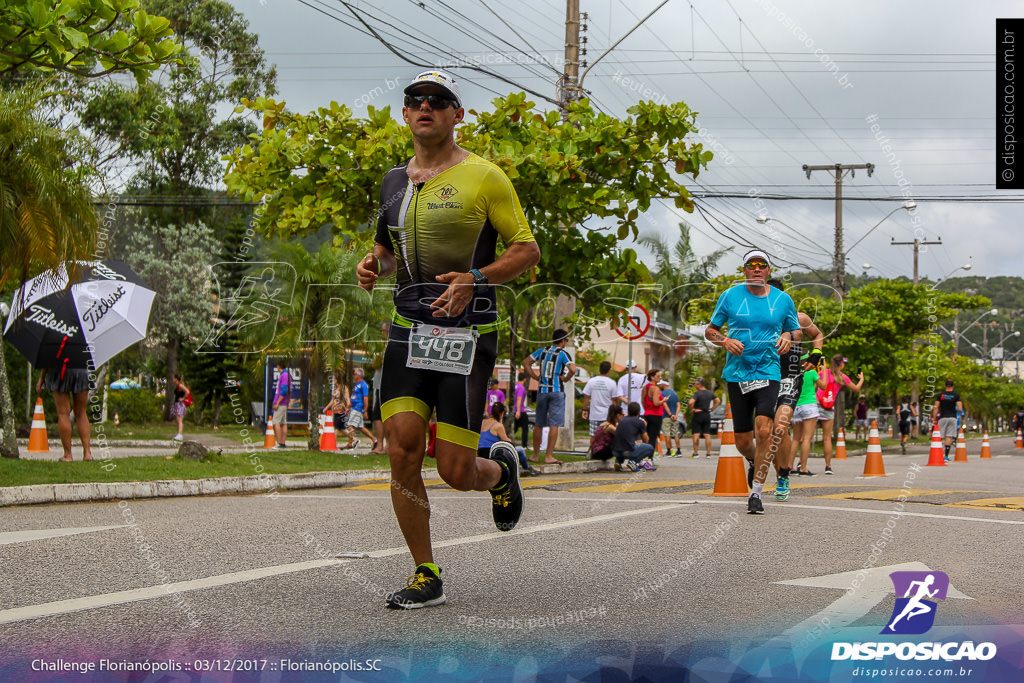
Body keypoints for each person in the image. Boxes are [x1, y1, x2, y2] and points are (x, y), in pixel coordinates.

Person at [356, 69, 540, 609]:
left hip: (466, 332)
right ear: (405, 113)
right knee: (402, 449)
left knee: (457, 473)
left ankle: (498, 468)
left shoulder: (486, 177)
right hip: (409, 328)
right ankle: (425, 572)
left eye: (439, 101)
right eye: (415, 100)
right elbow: (387, 252)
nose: (425, 107)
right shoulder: (393, 182)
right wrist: (374, 265)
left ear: (458, 114)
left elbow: (526, 250)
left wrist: (475, 279)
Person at [704, 249, 800, 515]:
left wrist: (789, 337)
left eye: (762, 265)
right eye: (751, 265)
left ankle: (756, 494)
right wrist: (724, 340)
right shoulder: (729, 296)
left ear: (768, 271)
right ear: (744, 270)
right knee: (744, 443)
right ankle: (752, 460)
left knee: (765, 430)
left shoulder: (783, 300)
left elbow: (797, 329)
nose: (757, 269)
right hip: (737, 374)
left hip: (768, 372)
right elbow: (710, 330)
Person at [765, 278, 824, 501]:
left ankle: (784, 475)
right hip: (764, 378)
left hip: (790, 376)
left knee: (780, 427)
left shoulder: (799, 319)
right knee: (768, 432)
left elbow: (817, 335)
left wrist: (816, 355)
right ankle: (776, 471)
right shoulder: (756, 321)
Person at [523, 329, 576, 465]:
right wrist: (565, 379)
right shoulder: (563, 354)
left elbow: (526, 363)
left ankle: (535, 455)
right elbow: (573, 369)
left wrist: (535, 377)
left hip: (542, 391)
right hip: (556, 391)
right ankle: (549, 456)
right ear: (563, 340)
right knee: (554, 424)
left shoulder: (542, 351)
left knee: (538, 423)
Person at [817, 355, 865, 474]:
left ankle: (801, 464)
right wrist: (861, 379)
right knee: (827, 438)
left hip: (817, 403)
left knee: (806, 437)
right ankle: (828, 466)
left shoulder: (823, 373)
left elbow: (814, 384)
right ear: (841, 364)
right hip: (829, 406)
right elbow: (856, 388)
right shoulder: (842, 378)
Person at [36, 366, 92, 462]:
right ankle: (87, 453)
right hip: (82, 370)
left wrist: (42, 377)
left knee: (63, 413)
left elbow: (47, 359)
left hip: (60, 371)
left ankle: (68, 455)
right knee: (81, 413)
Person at [479, 403, 538, 476]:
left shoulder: (483, 422)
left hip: (481, 452)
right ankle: (527, 468)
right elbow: (507, 442)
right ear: (502, 413)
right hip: (492, 453)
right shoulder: (498, 425)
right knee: (520, 450)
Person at [791, 365, 828, 475]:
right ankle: (803, 468)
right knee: (807, 438)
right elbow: (823, 386)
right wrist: (824, 372)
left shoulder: (793, 372)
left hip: (796, 405)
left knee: (795, 439)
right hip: (809, 405)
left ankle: (789, 466)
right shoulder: (811, 372)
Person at [611, 402, 656, 471]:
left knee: (623, 445)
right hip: (627, 451)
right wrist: (644, 426)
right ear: (639, 412)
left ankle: (618, 462)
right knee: (650, 448)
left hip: (615, 451)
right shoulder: (639, 422)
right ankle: (634, 462)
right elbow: (646, 439)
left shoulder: (622, 420)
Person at [343, 367, 377, 450]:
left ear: (359, 375)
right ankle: (375, 440)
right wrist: (348, 407)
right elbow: (353, 397)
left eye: (355, 374)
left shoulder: (363, 384)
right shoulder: (357, 385)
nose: (354, 376)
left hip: (358, 407)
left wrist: (365, 410)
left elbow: (365, 398)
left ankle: (351, 443)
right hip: (354, 407)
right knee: (360, 427)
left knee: (350, 424)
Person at [581, 361, 617, 436]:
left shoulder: (591, 381)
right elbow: (615, 400)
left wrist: (585, 409)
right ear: (609, 370)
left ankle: (594, 448)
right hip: (607, 415)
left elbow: (586, 397)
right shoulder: (612, 383)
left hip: (594, 415)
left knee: (594, 436)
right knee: (607, 436)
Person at [688, 378, 720, 458]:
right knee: (707, 434)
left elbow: (690, 402)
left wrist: (691, 409)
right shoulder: (710, 393)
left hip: (698, 414)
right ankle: (708, 453)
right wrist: (712, 409)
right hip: (706, 414)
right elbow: (718, 401)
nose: (695, 385)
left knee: (696, 434)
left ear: (699, 384)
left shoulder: (697, 393)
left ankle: (696, 453)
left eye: (696, 384)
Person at [933, 379, 963, 461]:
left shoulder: (940, 395)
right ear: (953, 386)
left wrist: (934, 417)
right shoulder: (956, 395)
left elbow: (936, 407)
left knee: (939, 436)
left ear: (945, 386)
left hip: (942, 417)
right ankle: (946, 456)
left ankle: (937, 454)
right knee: (949, 436)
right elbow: (960, 408)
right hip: (952, 417)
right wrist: (954, 410)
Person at [641, 368, 667, 455]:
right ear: (652, 377)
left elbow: (643, 401)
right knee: (653, 438)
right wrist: (664, 400)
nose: (660, 377)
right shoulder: (655, 388)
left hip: (647, 414)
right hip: (656, 415)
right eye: (658, 376)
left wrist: (647, 409)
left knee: (646, 437)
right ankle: (649, 458)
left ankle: (644, 456)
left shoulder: (646, 387)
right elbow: (656, 403)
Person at [325, 371, 350, 449]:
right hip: (336, 410)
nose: (333, 380)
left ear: (337, 379)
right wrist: (327, 407)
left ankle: (333, 444)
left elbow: (347, 398)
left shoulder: (343, 388)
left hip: (340, 411)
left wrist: (348, 406)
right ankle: (354, 439)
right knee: (342, 429)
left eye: (334, 379)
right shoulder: (336, 389)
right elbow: (333, 400)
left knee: (336, 428)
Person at [659, 379, 683, 456]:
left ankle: (669, 451)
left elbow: (664, 404)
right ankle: (678, 451)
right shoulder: (674, 393)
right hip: (675, 417)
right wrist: (675, 415)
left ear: (664, 384)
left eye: (660, 384)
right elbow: (678, 405)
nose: (659, 385)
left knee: (667, 434)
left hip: (666, 417)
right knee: (676, 434)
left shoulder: (662, 394)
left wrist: (670, 415)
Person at [271, 361, 289, 449]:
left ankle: (280, 443)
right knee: (283, 422)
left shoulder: (284, 375)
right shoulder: (285, 374)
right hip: (284, 402)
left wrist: (277, 402)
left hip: (281, 403)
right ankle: (282, 443)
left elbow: (284, 390)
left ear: (278, 366)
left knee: (276, 422)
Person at [512, 371, 530, 449]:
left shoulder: (515, 386)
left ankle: (507, 441)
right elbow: (519, 399)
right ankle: (524, 445)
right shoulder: (521, 387)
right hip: (520, 410)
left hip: (514, 410)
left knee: (515, 428)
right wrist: (518, 411)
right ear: (525, 379)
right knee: (525, 428)